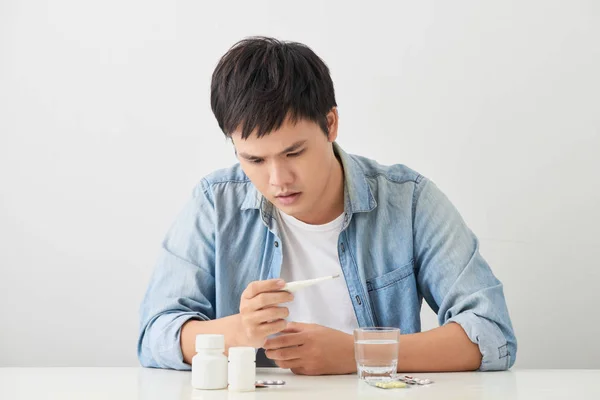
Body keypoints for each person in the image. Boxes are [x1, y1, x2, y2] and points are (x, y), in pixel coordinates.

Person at [138, 36, 517, 375]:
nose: (278, 180)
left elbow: (491, 332)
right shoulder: (215, 203)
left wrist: (358, 352)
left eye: (294, 152)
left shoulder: (409, 201)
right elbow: (155, 334)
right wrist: (239, 330)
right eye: (254, 160)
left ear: (331, 123)